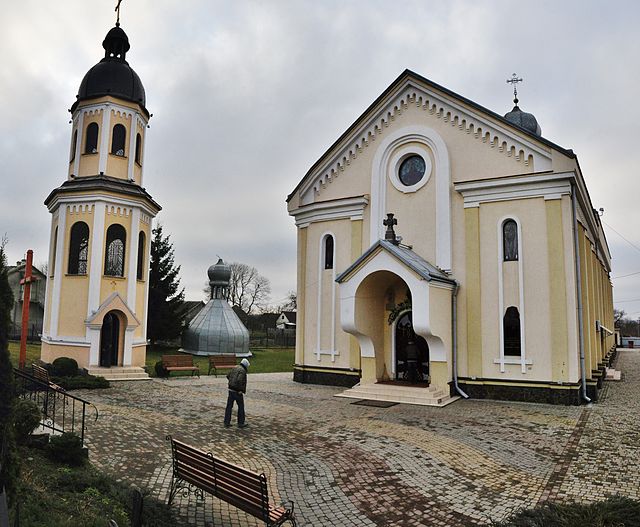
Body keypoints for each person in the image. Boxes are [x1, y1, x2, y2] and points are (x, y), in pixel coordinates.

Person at [224, 358, 250, 428]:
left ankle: (226, 422)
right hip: (237, 391)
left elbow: (228, 376)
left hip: (230, 390)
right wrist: (240, 389)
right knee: (241, 406)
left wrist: (231, 382)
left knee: (229, 407)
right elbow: (239, 380)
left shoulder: (235, 367)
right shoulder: (243, 371)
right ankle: (241, 422)